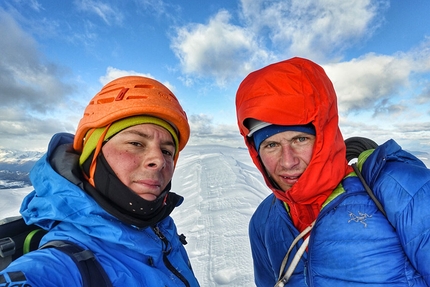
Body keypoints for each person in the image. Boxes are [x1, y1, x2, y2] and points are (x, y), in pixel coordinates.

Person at [235, 57, 430, 286]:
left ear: (324, 138)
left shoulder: (404, 191)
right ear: (256, 152)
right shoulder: (263, 220)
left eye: (300, 139)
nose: (287, 162)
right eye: (271, 145)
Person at [0, 76, 200, 286]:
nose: (159, 160)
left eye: (167, 151)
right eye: (136, 143)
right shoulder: (62, 265)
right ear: (93, 156)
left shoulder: (160, 227)